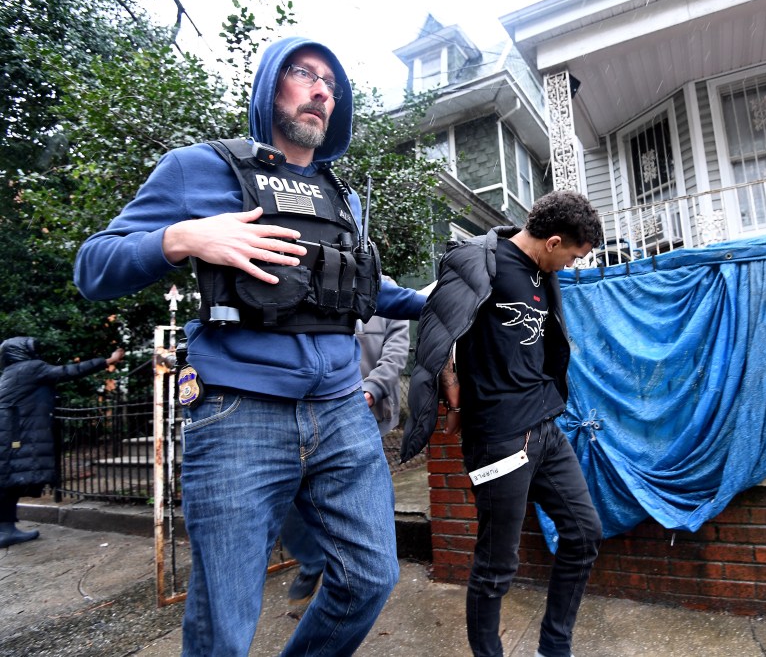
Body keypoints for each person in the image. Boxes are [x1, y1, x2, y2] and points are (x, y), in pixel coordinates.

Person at [74, 36, 424, 656]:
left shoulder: (345, 198)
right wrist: (184, 237)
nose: (321, 90)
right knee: (225, 626)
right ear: (269, 85)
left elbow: (364, 288)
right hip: (239, 415)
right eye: (304, 74)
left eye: (332, 85)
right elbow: (93, 267)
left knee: (371, 577)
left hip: (343, 411)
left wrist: (449, 299)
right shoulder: (198, 168)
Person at [402, 190, 605, 657]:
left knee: (583, 533)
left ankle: (554, 648)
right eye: (574, 255)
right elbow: (438, 323)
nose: (573, 265)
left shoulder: (542, 273)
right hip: (499, 437)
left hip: (547, 429)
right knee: (497, 566)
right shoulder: (476, 261)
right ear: (554, 241)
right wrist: (448, 375)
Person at [281, 276, 411, 603]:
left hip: (369, 406)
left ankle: (373, 559)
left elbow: (396, 353)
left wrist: (371, 390)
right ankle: (313, 560)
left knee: (371, 484)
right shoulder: (314, 280)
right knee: (293, 494)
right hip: (317, 404)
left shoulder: (386, 291)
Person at [0, 337, 124, 548]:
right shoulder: (31, 368)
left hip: (9, 431)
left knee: (8, 481)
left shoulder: (10, 372)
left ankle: (6, 529)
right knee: (9, 483)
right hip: (15, 432)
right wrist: (107, 361)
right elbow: (68, 371)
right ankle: (6, 530)